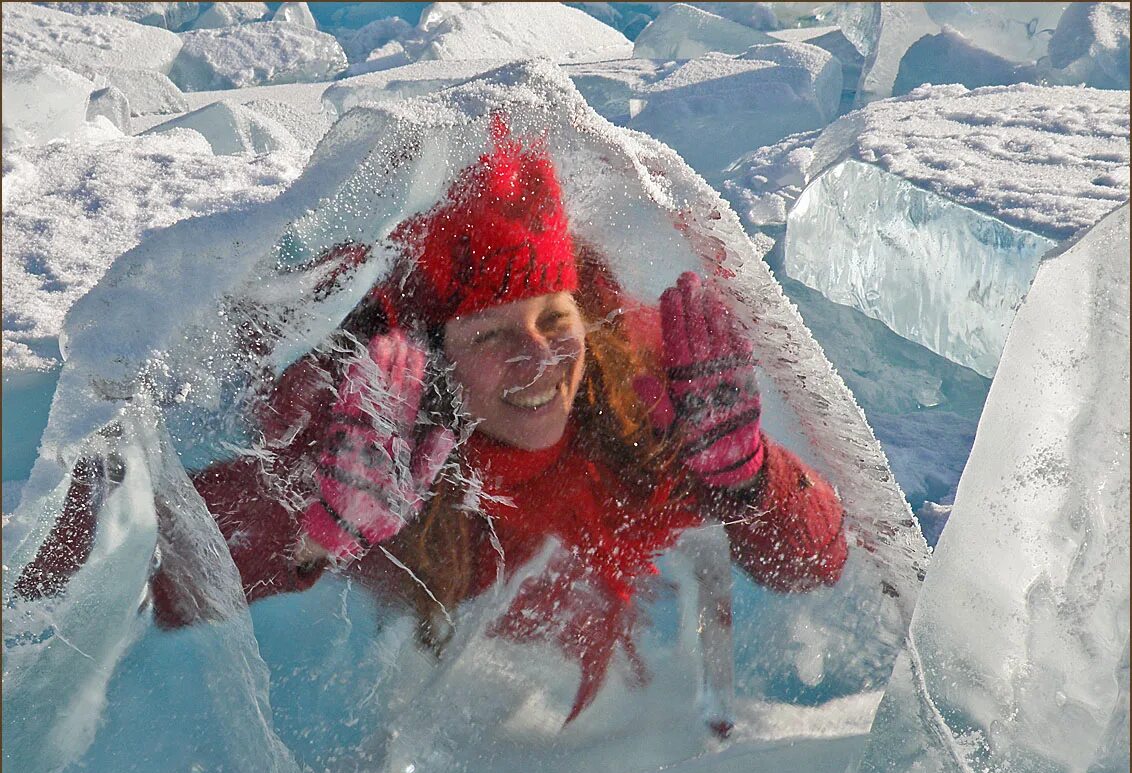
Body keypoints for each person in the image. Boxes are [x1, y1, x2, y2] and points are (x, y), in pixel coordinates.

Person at [15, 120, 847, 726]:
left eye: (552, 320)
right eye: (490, 335)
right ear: (438, 355)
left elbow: (819, 562)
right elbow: (101, 565)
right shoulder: (369, 429)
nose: (537, 361)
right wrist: (309, 537)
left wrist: (753, 480)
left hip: (599, 753)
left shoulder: (639, 388)